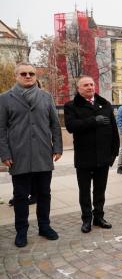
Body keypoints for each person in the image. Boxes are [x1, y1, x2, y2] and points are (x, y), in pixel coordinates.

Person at [0, 62, 63, 247]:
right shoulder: (4, 98)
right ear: (16, 76)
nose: (28, 76)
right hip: (18, 155)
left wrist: (57, 147)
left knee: (44, 193)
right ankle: (21, 231)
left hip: (43, 154)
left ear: (36, 76)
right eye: (24, 74)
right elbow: (1, 129)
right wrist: (4, 153)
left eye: (32, 74)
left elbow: (54, 124)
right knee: (20, 196)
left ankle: (45, 226)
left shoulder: (46, 96)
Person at [64, 75, 119, 233]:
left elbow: (114, 132)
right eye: (86, 85)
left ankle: (99, 217)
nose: (90, 87)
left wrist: (113, 154)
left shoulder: (105, 104)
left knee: (100, 190)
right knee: (85, 191)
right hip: (84, 157)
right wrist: (93, 121)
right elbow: (71, 126)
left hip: (103, 157)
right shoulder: (71, 106)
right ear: (78, 88)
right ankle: (86, 219)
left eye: (91, 84)